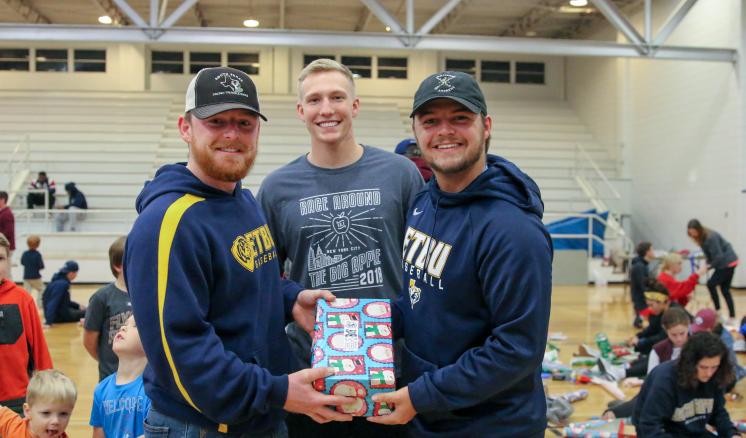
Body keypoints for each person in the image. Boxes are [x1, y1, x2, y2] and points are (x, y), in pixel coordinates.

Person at [124, 66, 353, 438]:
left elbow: (243, 287)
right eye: (216, 121)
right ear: (186, 128)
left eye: (245, 123)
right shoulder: (166, 223)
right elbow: (182, 356)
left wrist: (291, 299)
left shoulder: (243, 200)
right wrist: (277, 390)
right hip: (201, 427)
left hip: (258, 416)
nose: (232, 134)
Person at [369, 71, 553, 437]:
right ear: (417, 131)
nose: (445, 131)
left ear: (486, 126)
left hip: (492, 424)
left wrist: (422, 395)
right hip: (433, 413)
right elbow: (419, 302)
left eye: (460, 119)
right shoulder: (423, 201)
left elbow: (516, 349)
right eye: (431, 121)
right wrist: (357, 322)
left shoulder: (513, 231)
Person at [257, 58, 423, 437]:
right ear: (301, 111)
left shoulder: (400, 174)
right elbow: (264, 280)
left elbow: (422, 271)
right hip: (310, 373)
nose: (326, 109)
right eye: (314, 100)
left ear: (355, 105)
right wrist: (295, 296)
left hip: (389, 369)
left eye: (337, 97)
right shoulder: (277, 188)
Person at [633, 331, 741, 438]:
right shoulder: (665, 379)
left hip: (691, 432)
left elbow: (718, 413)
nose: (709, 373)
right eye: (703, 367)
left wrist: (732, 434)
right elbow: (649, 427)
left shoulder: (715, 375)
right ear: (690, 363)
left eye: (714, 367)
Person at [602, 306, 691, 419]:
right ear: (665, 330)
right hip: (662, 393)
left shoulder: (697, 345)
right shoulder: (658, 350)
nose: (679, 339)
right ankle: (618, 411)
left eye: (682, 333)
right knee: (646, 399)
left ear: (688, 326)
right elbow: (651, 382)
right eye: (674, 335)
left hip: (689, 395)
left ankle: (622, 408)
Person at [0, 233, 53, 415]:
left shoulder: (22, 299)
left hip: (18, 401)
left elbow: (40, 351)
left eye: (0, 258)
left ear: (8, 262)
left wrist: (48, 391)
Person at [90, 315, 151, 438]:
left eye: (135, 325)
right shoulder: (101, 389)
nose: (123, 327)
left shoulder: (154, 389)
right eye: (124, 324)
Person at [84, 236, 132, 381]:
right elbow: (89, 341)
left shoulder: (147, 295)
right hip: (110, 375)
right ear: (118, 266)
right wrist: (106, 362)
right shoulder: (102, 297)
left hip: (141, 378)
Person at [687, 219, 739, 323]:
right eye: (690, 233)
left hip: (727, 263)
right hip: (726, 263)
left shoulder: (711, 237)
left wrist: (707, 267)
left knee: (711, 284)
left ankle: (718, 312)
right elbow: (710, 255)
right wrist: (706, 264)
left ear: (699, 229)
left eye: (694, 232)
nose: (692, 235)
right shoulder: (702, 238)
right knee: (725, 290)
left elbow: (718, 256)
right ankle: (731, 317)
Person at [0, 369, 77, 438]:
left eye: (63, 414)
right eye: (46, 413)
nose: (55, 421)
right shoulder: (14, 428)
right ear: (28, 411)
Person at [626, 280, 679, 356]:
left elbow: (663, 337)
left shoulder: (675, 314)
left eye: (651, 305)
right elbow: (652, 328)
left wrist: (641, 342)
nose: (649, 308)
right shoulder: (658, 311)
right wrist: (638, 336)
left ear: (663, 302)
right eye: (648, 305)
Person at [42, 260, 86, 326]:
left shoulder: (55, 281)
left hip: (58, 313)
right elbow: (53, 303)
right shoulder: (63, 284)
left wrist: (78, 306)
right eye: (76, 273)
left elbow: (64, 301)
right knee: (89, 312)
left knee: (83, 309)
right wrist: (48, 322)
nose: (76, 275)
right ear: (71, 273)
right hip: (59, 317)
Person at [630, 241, 654, 328]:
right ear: (647, 252)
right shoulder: (639, 266)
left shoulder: (642, 265)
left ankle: (638, 319)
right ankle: (639, 319)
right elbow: (642, 284)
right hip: (640, 297)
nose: (653, 252)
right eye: (652, 250)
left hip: (640, 296)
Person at [20, 235, 45, 307]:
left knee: (26, 292)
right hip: (36, 277)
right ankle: (40, 304)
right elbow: (41, 266)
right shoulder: (37, 254)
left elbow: (22, 262)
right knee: (42, 290)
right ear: (38, 245)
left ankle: (25, 306)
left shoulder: (25, 253)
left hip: (26, 277)